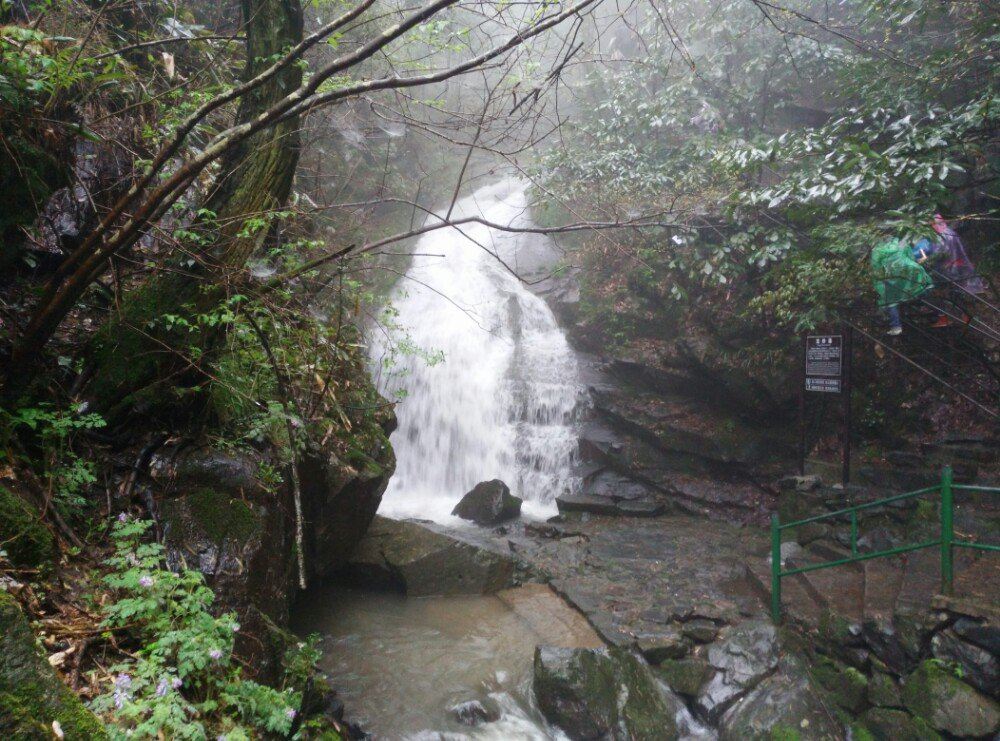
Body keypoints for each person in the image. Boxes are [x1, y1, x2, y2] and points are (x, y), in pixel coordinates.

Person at [916, 215, 987, 327]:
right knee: (957, 292)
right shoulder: (950, 232)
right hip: (958, 267)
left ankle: (944, 318)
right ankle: (966, 317)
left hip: (946, 270)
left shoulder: (940, 237)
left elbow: (938, 254)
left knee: (937, 292)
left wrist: (924, 260)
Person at [871, 236, 934, 336]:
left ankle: (896, 326)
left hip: (892, 275)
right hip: (909, 270)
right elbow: (911, 256)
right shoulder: (901, 242)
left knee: (891, 301)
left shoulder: (877, 249)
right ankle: (925, 304)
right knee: (925, 284)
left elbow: (876, 266)